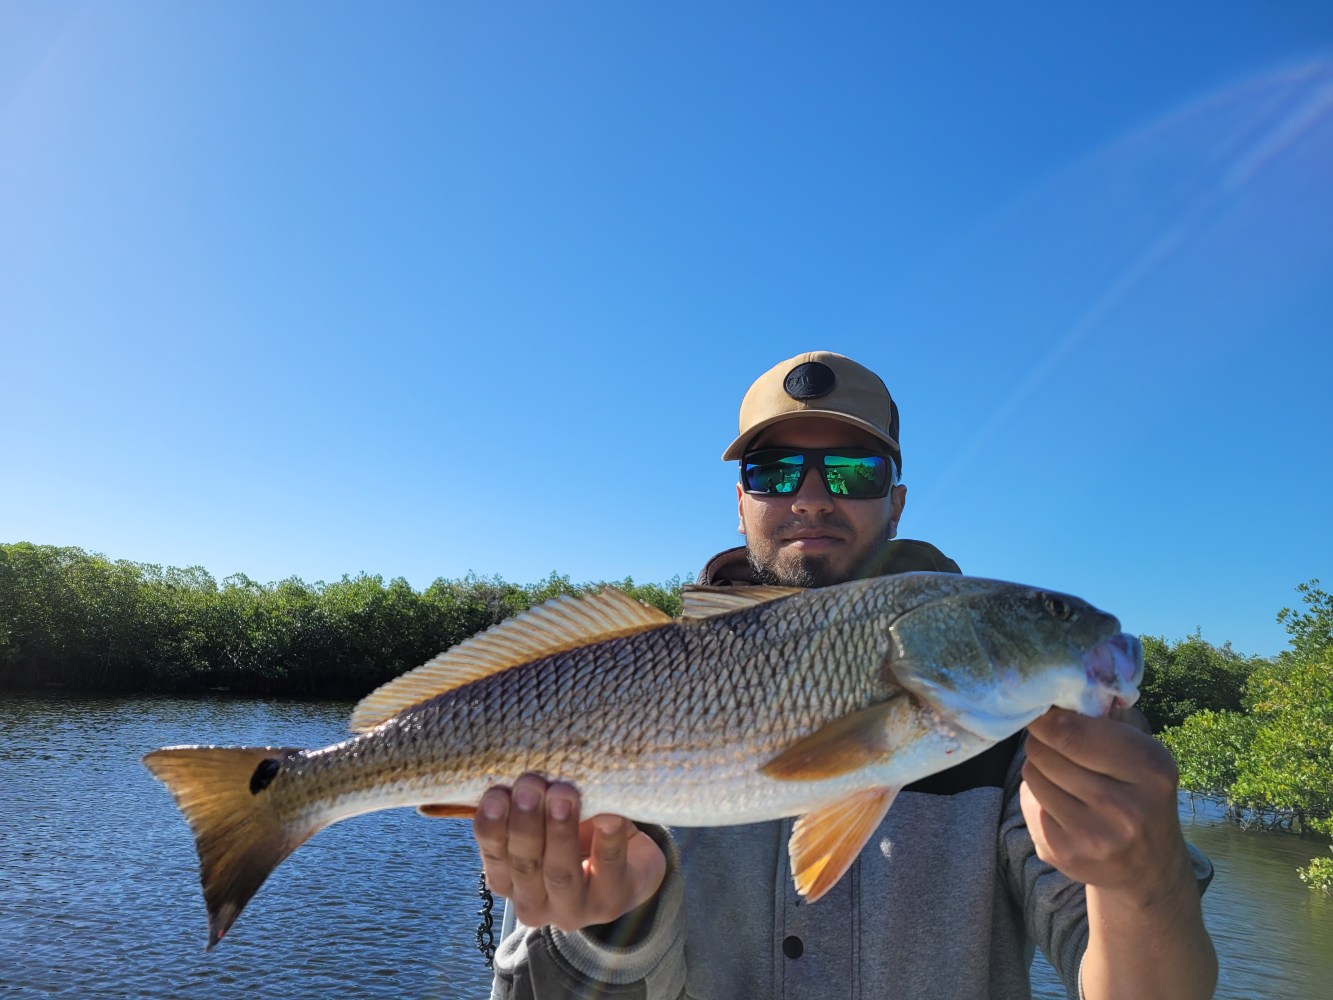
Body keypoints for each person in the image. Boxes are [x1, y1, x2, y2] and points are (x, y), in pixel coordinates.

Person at [459, 351, 1217, 999]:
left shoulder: (1026, 729)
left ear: (895, 502)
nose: (812, 498)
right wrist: (608, 932)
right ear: (741, 503)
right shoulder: (612, 684)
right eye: (774, 471)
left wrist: (1142, 884)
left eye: (854, 471)